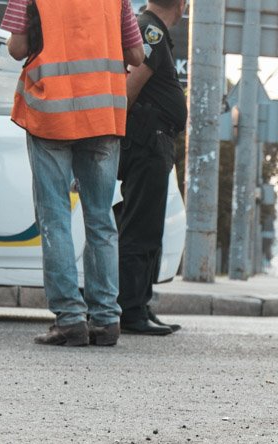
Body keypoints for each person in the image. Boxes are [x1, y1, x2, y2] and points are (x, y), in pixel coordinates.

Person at [2, 0, 144, 347]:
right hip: (103, 110)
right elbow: (137, 55)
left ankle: (69, 320)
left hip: (52, 111)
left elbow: (17, 47)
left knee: (55, 218)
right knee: (100, 218)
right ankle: (107, 320)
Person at [116, 0, 187, 336]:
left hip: (151, 143)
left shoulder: (150, 30)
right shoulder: (152, 32)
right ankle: (130, 311)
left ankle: (140, 304)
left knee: (148, 230)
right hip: (146, 143)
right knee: (139, 229)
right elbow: (127, 91)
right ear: (183, 5)